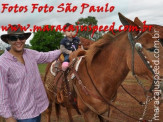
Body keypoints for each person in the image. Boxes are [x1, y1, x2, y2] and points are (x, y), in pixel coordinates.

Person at [0, 25, 61, 122]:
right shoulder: (2, 63)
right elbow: (1, 93)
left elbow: (47, 56)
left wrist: (62, 50)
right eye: (13, 38)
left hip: (38, 108)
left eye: (21, 37)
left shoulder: (31, 54)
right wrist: (8, 116)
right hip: (21, 115)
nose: (18, 40)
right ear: (8, 40)